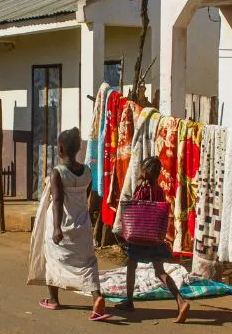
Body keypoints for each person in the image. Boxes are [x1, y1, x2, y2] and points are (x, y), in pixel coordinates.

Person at [39, 127, 110, 321]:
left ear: (60, 148)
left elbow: (58, 201)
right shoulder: (87, 171)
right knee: (88, 263)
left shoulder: (57, 173)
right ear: (78, 148)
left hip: (63, 225)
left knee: (53, 259)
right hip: (83, 224)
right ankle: (97, 298)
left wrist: (56, 228)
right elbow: (86, 196)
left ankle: (53, 299)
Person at [117, 156, 191, 323]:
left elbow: (134, 210)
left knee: (131, 266)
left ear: (144, 171)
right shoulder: (159, 191)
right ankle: (181, 301)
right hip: (154, 237)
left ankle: (129, 301)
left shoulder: (140, 190)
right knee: (160, 272)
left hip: (138, 237)